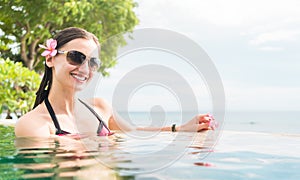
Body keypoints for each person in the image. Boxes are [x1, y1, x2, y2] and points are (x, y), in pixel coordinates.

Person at [14, 27, 216, 138]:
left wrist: (179, 128)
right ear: (50, 59)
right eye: (76, 57)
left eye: (93, 62)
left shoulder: (100, 107)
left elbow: (134, 131)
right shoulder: (33, 125)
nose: (85, 69)